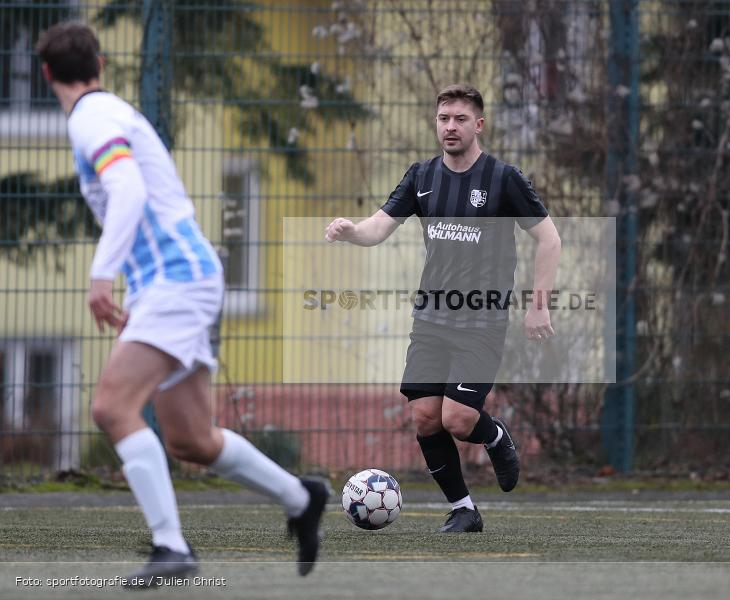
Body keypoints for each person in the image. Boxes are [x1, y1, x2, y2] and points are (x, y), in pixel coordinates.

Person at [37, 22, 328, 587]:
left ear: (47, 73)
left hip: (177, 279)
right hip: (178, 278)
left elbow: (128, 189)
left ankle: (171, 546)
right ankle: (302, 497)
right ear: (99, 64)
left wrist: (101, 275)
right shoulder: (111, 112)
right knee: (191, 437)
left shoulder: (92, 117)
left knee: (112, 408)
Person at [325, 84, 561, 532]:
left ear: (479, 125)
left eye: (460, 119)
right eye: (443, 119)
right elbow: (378, 228)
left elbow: (549, 239)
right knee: (425, 417)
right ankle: (464, 510)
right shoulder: (422, 176)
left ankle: (495, 435)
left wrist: (538, 306)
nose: (450, 127)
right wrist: (351, 230)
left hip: (482, 321)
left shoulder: (503, 179)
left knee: (458, 418)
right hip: (431, 319)